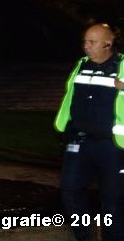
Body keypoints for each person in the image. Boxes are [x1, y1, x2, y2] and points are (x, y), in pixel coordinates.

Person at [54, 23, 124, 241]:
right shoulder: (81, 65)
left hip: (112, 146)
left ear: (107, 44)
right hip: (79, 141)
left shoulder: (122, 66)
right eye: (85, 41)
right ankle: (84, 235)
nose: (86, 46)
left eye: (91, 42)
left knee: (112, 201)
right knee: (69, 192)